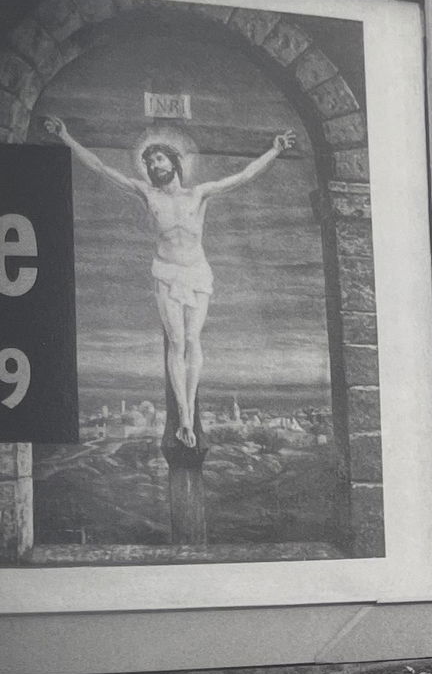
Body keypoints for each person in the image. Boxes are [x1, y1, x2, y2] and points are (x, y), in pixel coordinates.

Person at [43, 116, 296, 448]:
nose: (153, 165)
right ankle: (185, 417)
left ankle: (190, 412)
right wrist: (67, 138)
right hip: (166, 272)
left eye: (158, 158)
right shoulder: (148, 194)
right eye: (148, 161)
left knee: (193, 339)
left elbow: (243, 176)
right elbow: (102, 168)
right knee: (177, 342)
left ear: (174, 161)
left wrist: (274, 150)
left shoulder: (199, 194)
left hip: (196, 272)